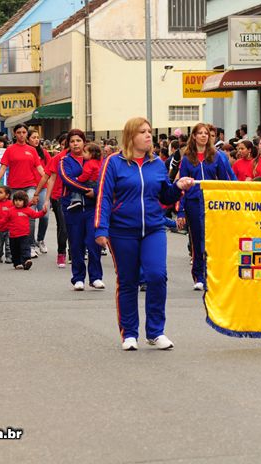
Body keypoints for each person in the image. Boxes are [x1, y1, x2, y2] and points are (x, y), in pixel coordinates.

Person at [95, 117, 194, 350]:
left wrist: (178, 187)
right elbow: (104, 197)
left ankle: (156, 332)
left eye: (149, 131)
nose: (149, 135)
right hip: (122, 231)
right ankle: (129, 334)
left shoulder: (157, 163)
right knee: (128, 281)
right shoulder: (113, 163)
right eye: (143, 131)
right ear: (131, 136)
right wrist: (101, 228)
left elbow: (165, 196)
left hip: (153, 228)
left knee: (157, 276)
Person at [177, 122, 237, 291]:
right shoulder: (187, 158)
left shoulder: (216, 156)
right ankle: (199, 276)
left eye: (206, 133)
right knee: (197, 240)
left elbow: (225, 181)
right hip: (193, 203)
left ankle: (212, 274)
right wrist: (181, 211)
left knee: (213, 240)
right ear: (194, 136)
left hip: (213, 203)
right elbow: (182, 186)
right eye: (200, 133)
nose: (204, 136)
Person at [59, 129, 104, 290]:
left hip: (92, 207)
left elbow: (103, 179)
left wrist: (96, 193)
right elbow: (68, 180)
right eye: (72, 141)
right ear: (68, 144)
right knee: (76, 244)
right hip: (72, 208)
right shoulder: (65, 161)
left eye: (78, 140)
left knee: (93, 242)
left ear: (84, 142)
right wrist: (87, 191)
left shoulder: (95, 158)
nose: (75, 144)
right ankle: (78, 278)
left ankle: (96, 277)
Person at [0, 124, 46, 259]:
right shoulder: (10, 149)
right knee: (13, 216)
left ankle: (31, 245)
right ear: (14, 134)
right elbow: (3, 168)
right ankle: (14, 247)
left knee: (30, 214)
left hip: (30, 186)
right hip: (14, 188)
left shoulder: (32, 150)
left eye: (24, 132)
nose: (22, 135)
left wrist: (48, 178)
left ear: (26, 134)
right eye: (19, 132)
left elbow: (40, 168)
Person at [34, 133, 69, 267]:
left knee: (74, 226)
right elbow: (47, 177)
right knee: (63, 226)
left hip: (76, 196)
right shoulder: (58, 158)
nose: (68, 146)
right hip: (58, 196)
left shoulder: (82, 157)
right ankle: (61, 253)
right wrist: (40, 195)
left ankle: (74, 252)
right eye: (65, 144)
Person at [5, 190, 46, 270]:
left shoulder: (27, 210)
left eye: (20, 200)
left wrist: (43, 212)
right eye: (16, 200)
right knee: (15, 250)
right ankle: (17, 263)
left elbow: (35, 215)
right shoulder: (10, 210)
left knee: (25, 248)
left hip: (24, 234)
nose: (17, 202)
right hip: (13, 235)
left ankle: (27, 260)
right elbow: (5, 220)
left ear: (24, 201)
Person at [27, 130, 51, 254]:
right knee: (31, 216)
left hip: (43, 188)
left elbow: (50, 169)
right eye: (33, 137)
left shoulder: (44, 153)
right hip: (30, 187)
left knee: (45, 215)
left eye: (38, 137)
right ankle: (31, 244)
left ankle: (40, 239)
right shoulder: (26, 152)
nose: (36, 140)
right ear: (28, 139)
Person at [67, 142, 101, 211]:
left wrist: (79, 179)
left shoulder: (89, 163)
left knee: (76, 185)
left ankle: (76, 200)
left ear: (91, 154)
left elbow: (86, 175)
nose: (82, 153)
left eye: (85, 152)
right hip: (98, 182)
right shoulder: (99, 161)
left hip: (90, 182)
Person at [0, 186, 13, 264]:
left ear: (7, 195)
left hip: (9, 228)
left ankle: (9, 257)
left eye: (1, 192)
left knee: (9, 244)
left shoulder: (11, 203)